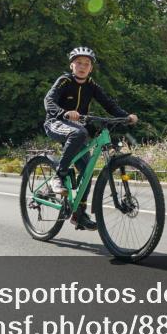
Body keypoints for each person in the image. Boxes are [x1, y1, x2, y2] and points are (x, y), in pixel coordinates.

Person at [43, 46, 138, 231]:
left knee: (87, 171)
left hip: (77, 128)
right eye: (78, 62)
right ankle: (60, 175)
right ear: (72, 65)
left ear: (91, 68)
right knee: (79, 133)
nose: (82, 66)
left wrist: (126, 117)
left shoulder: (91, 85)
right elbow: (49, 100)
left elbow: (109, 104)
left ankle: (79, 214)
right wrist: (64, 113)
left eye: (86, 64)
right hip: (55, 122)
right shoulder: (64, 81)